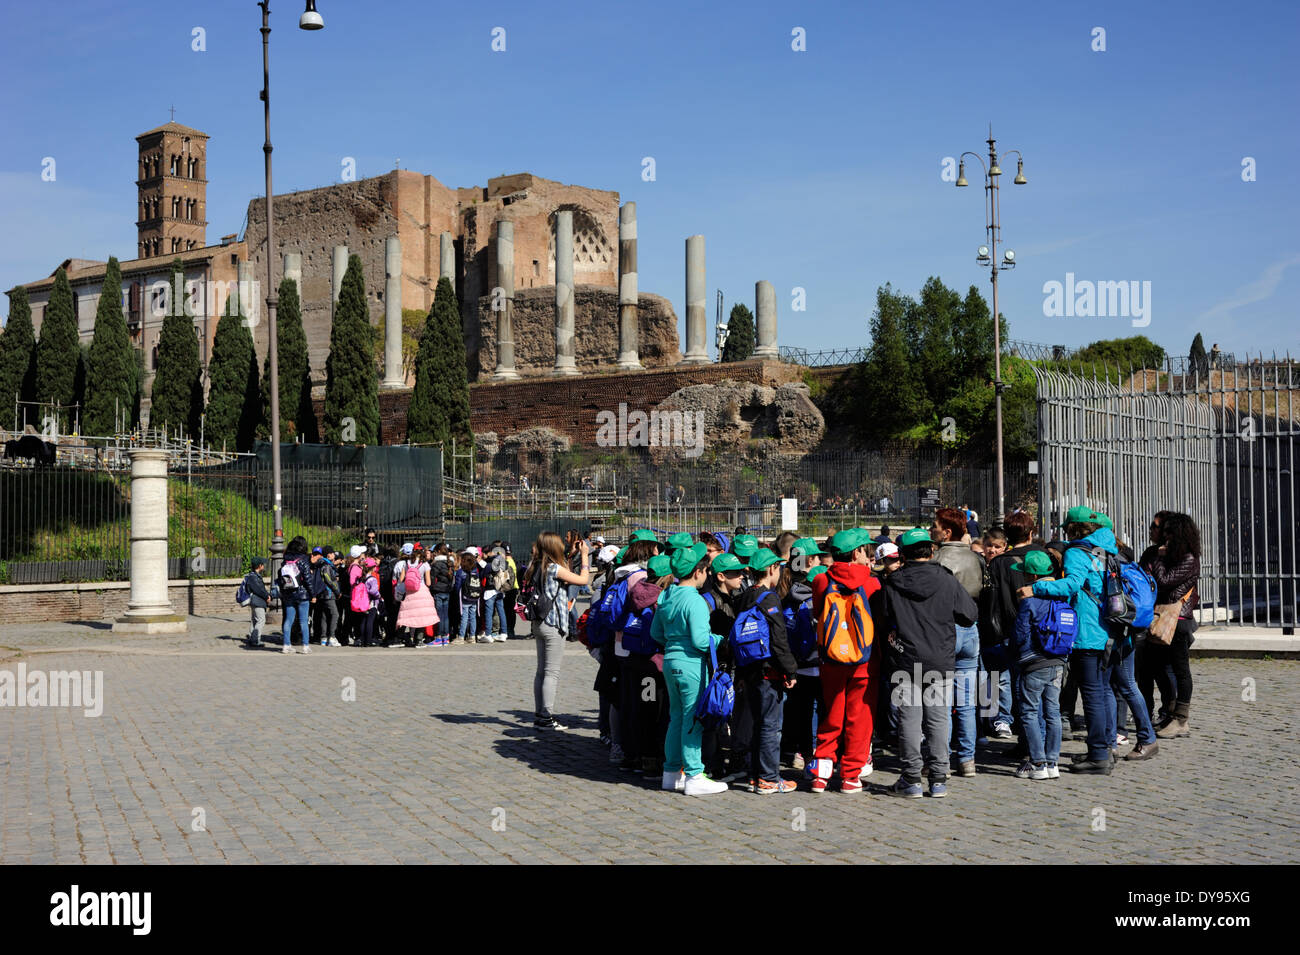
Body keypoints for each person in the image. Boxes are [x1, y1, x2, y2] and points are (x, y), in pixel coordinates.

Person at [880, 527, 979, 798]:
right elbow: (969, 615)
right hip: (939, 658)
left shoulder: (892, 583)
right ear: (931, 551)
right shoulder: (946, 580)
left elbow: (884, 618)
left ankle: (911, 779)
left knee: (909, 720)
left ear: (903, 554)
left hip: (904, 659)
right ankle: (938, 779)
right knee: (938, 719)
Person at [1020, 506, 1119, 775]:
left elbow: (1073, 584)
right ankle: (1104, 749)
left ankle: (1098, 755)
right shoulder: (1105, 549)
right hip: (1106, 629)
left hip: (1086, 631)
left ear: (1072, 528)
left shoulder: (1077, 551)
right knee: (1100, 690)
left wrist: (1037, 587)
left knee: (1092, 695)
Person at [807, 527, 880, 794]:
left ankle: (821, 772)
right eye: (866, 550)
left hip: (831, 658)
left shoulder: (821, 581)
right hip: (865, 660)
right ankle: (851, 776)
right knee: (859, 719)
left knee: (832, 714)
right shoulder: (872, 582)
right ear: (857, 552)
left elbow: (818, 613)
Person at [653, 542, 729, 795]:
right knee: (693, 720)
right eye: (705, 571)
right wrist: (719, 640)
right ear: (697, 573)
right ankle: (695, 775)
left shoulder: (667, 596)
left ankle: (671, 772)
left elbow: (656, 633)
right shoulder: (694, 601)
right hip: (691, 664)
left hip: (671, 661)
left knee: (676, 718)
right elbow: (700, 640)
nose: (706, 575)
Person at [732, 548, 799, 794]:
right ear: (771, 569)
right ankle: (769, 778)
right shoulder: (770, 599)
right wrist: (790, 670)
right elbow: (779, 639)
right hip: (768, 670)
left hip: (747, 669)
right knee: (771, 726)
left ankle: (754, 775)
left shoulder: (744, 597)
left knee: (758, 723)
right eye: (779, 567)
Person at [932, 507, 986, 776]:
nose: (932, 530)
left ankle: (940, 757)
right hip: (970, 628)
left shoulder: (937, 559)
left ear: (947, 531)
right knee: (965, 701)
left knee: (940, 700)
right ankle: (967, 759)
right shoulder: (975, 558)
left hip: (945, 629)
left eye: (935, 526)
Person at [1009, 550, 1070, 779]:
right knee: (1053, 711)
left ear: (1032, 577)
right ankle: (1052, 763)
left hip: (1035, 662)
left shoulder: (1030, 601)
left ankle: (1037, 762)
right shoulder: (1062, 595)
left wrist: (1015, 654)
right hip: (1059, 660)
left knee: (1029, 712)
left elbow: (1020, 634)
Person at [1141, 511, 1201, 739]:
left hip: (1178, 620)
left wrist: (1158, 557)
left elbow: (1164, 581)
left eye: (1168, 532)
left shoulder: (1188, 558)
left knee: (1180, 670)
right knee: (1158, 668)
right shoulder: (1173, 556)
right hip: (1165, 618)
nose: (1164, 536)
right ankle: (1170, 711)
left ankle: (1181, 720)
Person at [526, 531, 591, 730]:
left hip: (539, 622)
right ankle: (546, 717)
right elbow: (582, 580)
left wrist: (572, 555)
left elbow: (565, 572)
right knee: (551, 673)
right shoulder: (554, 569)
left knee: (541, 672)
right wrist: (585, 556)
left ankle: (540, 714)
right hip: (554, 623)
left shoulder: (535, 566)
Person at [398, 544, 443, 646]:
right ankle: (418, 640)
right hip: (422, 591)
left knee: (408, 616)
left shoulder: (406, 563)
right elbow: (428, 583)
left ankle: (404, 637)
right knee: (421, 617)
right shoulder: (425, 565)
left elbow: (401, 580)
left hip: (409, 592)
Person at [279, 536, 313, 654]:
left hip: (288, 593)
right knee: (303, 621)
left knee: (288, 620)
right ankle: (305, 646)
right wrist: (312, 594)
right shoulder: (303, 560)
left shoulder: (285, 560)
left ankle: (286, 645)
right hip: (302, 594)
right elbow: (308, 579)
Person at [454, 550, 484, 644]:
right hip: (474, 597)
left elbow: (457, 586)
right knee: (473, 617)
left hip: (465, 597)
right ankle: (472, 636)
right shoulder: (475, 571)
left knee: (464, 617)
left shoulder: (460, 572)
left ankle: (461, 637)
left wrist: (456, 595)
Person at [314, 547, 341, 647]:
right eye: (332, 553)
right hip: (328, 593)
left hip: (322, 594)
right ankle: (332, 637)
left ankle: (323, 638)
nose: (334, 555)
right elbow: (329, 580)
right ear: (328, 555)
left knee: (324, 616)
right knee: (335, 614)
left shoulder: (320, 564)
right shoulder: (326, 565)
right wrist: (337, 591)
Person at [242, 557, 271, 649]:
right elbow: (259, 590)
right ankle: (255, 640)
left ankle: (251, 637)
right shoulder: (254, 577)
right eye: (263, 564)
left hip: (255, 601)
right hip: (257, 601)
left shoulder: (253, 575)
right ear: (259, 566)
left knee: (254, 620)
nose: (264, 565)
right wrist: (267, 596)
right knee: (261, 620)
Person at [429, 543, 455, 641]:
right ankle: (446, 635)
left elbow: (432, 578)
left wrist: (432, 588)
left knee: (439, 614)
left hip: (438, 591)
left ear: (439, 551)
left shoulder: (436, 563)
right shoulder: (450, 563)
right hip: (447, 591)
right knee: (445, 614)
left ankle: (439, 635)